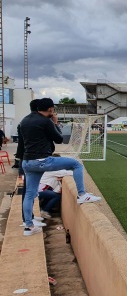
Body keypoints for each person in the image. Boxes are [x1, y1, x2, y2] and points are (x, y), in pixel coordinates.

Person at [20, 98, 101, 236]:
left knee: (29, 194)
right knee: (76, 164)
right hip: (42, 160)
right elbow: (58, 139)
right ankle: (82, 195)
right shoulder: (45, 121)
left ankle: (28, 226)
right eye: (53, 109)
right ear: (50, 109)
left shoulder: (25, 120)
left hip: (27, 162)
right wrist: (55, 123)